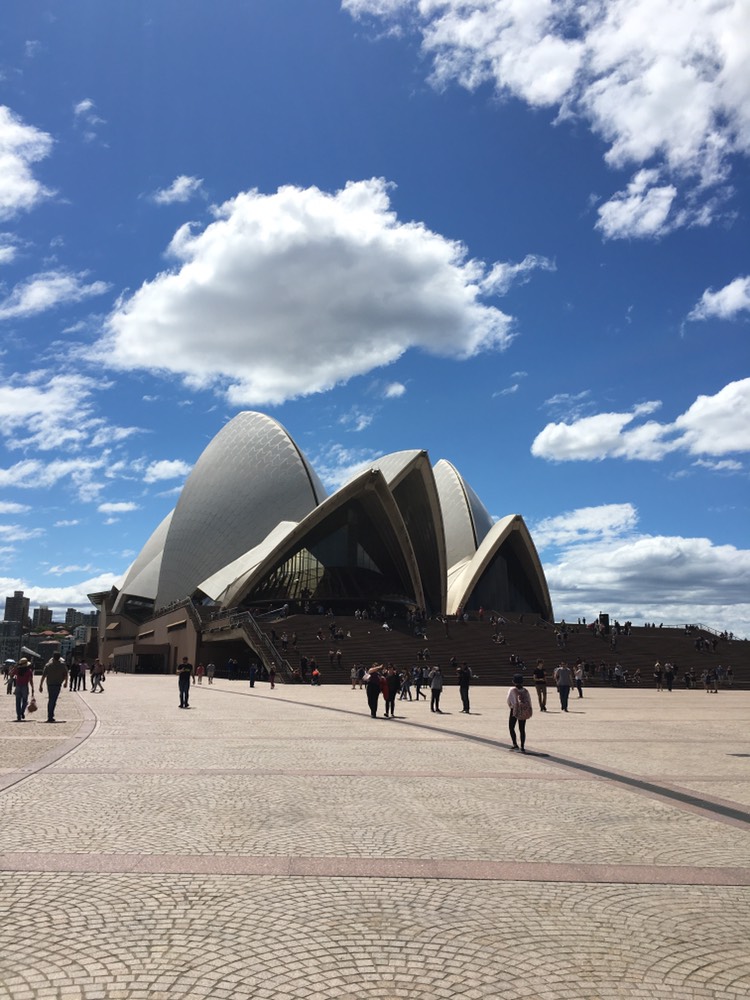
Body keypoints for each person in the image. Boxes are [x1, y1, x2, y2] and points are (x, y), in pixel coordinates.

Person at [39, 652, 68, 723]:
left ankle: (50, 715)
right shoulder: (62, 665)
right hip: (57, 684)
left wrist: (41, 685)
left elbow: (43, 676)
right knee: (53, 700)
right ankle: (50, 715)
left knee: (51, 699)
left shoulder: (48, 665)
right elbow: (66, 674)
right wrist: (65, 682)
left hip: (50, 684)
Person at [507, 674, 532, 752]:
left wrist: (511, 706)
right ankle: (522, 746)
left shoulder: (512, 690)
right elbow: (529, 700)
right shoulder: (525, 691)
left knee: (511, 727)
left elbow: (508, 700)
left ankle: (515, 744)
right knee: (522, 729)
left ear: (513, 681)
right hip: (523, 710)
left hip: (514, 709)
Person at [11, 657, 34, 721]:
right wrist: (32, 688)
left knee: (18, 702)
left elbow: (11, 674)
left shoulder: (17, 670)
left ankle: (18, 715)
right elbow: (30, 680)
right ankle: (22, 712)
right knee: (25, 701)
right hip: (25, 687)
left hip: (18, 686)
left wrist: (15, 667)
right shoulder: (29, 671)